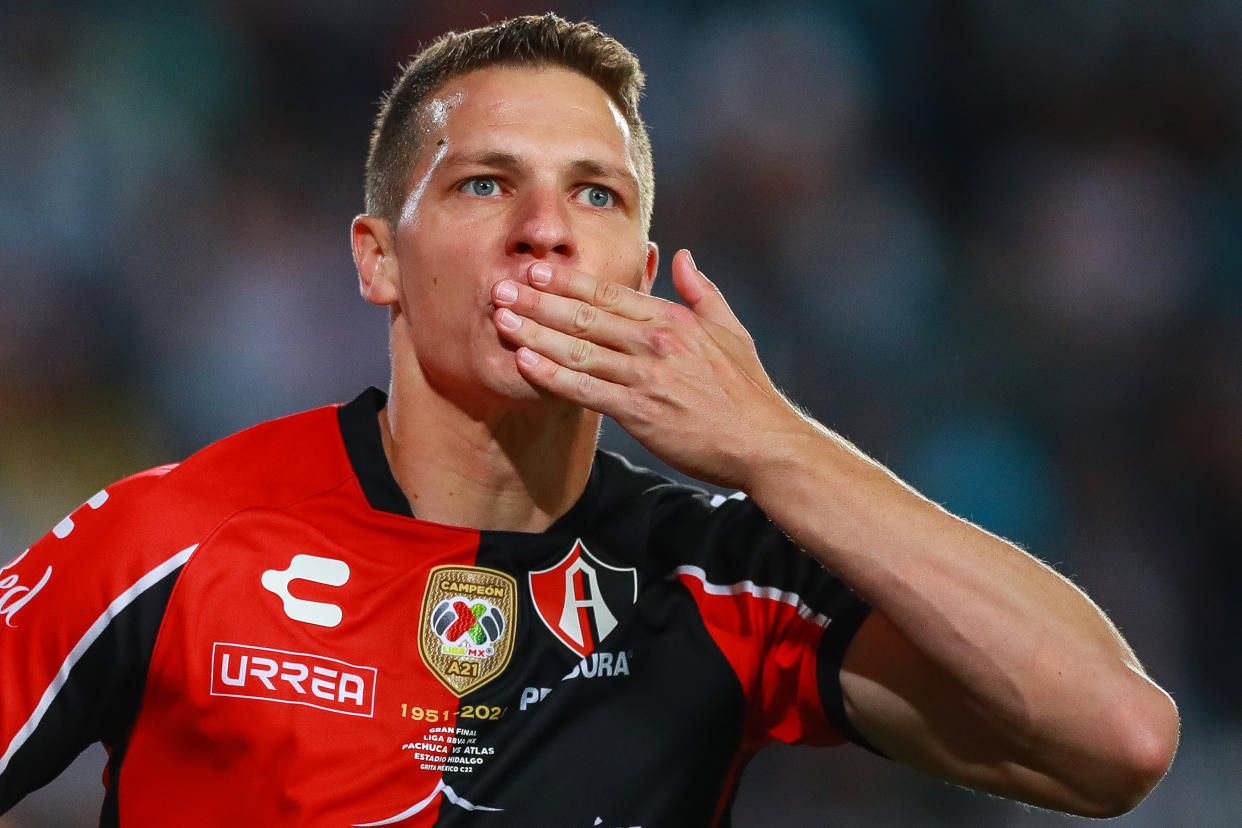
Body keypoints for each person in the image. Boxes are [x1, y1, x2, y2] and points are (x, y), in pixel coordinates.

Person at [0, 13, 1178, 827]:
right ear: (379, 261)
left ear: (639, 268)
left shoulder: (720, 579)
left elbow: (1118, 737)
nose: (545, 230)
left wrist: (774, 443)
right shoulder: (177, 539)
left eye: (594, 194)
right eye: (483, 183)